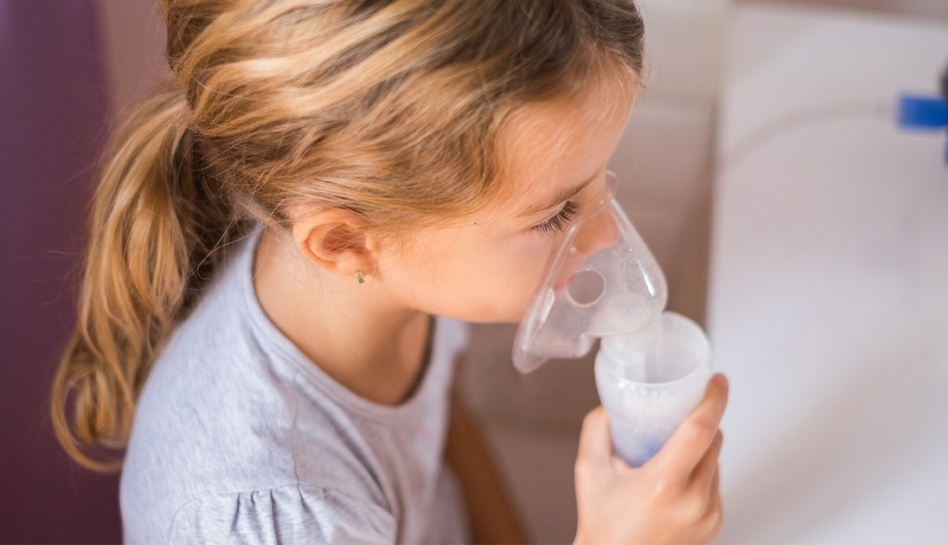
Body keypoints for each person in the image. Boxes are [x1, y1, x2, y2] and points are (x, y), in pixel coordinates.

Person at [51, 0, 729, 542]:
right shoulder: (277, 513)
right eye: (556, 213)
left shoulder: (398, 285)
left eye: (599, 179)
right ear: (345, 240)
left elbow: (445, 428)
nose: (606, 234)